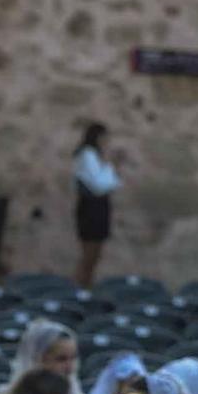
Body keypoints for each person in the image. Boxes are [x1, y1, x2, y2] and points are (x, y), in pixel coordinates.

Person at [72, 121, 119, 288]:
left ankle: (86, 284)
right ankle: (81, 286)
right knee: (89, 254)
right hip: (92, 207)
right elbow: (99, 185)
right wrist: (113, 165)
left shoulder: (95, 156)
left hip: (97, 206)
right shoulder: (87, 155)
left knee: (95, 254)